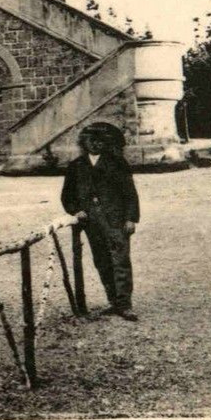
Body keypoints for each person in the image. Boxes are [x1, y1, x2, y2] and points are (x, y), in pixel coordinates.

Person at [61, 121, 140, 321]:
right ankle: (113, 301)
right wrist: (76, 210)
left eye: (99, 141)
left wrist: (131, 218)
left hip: (116, 219)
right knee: (102, 260)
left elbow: (130, 193)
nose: (95, 144)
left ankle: (125, 304)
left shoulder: (117, 163)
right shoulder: (76, 166)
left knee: (120, 260)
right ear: (84, 143)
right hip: (91, 222)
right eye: (91, 140)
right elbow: (67, 196)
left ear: (104, 143)